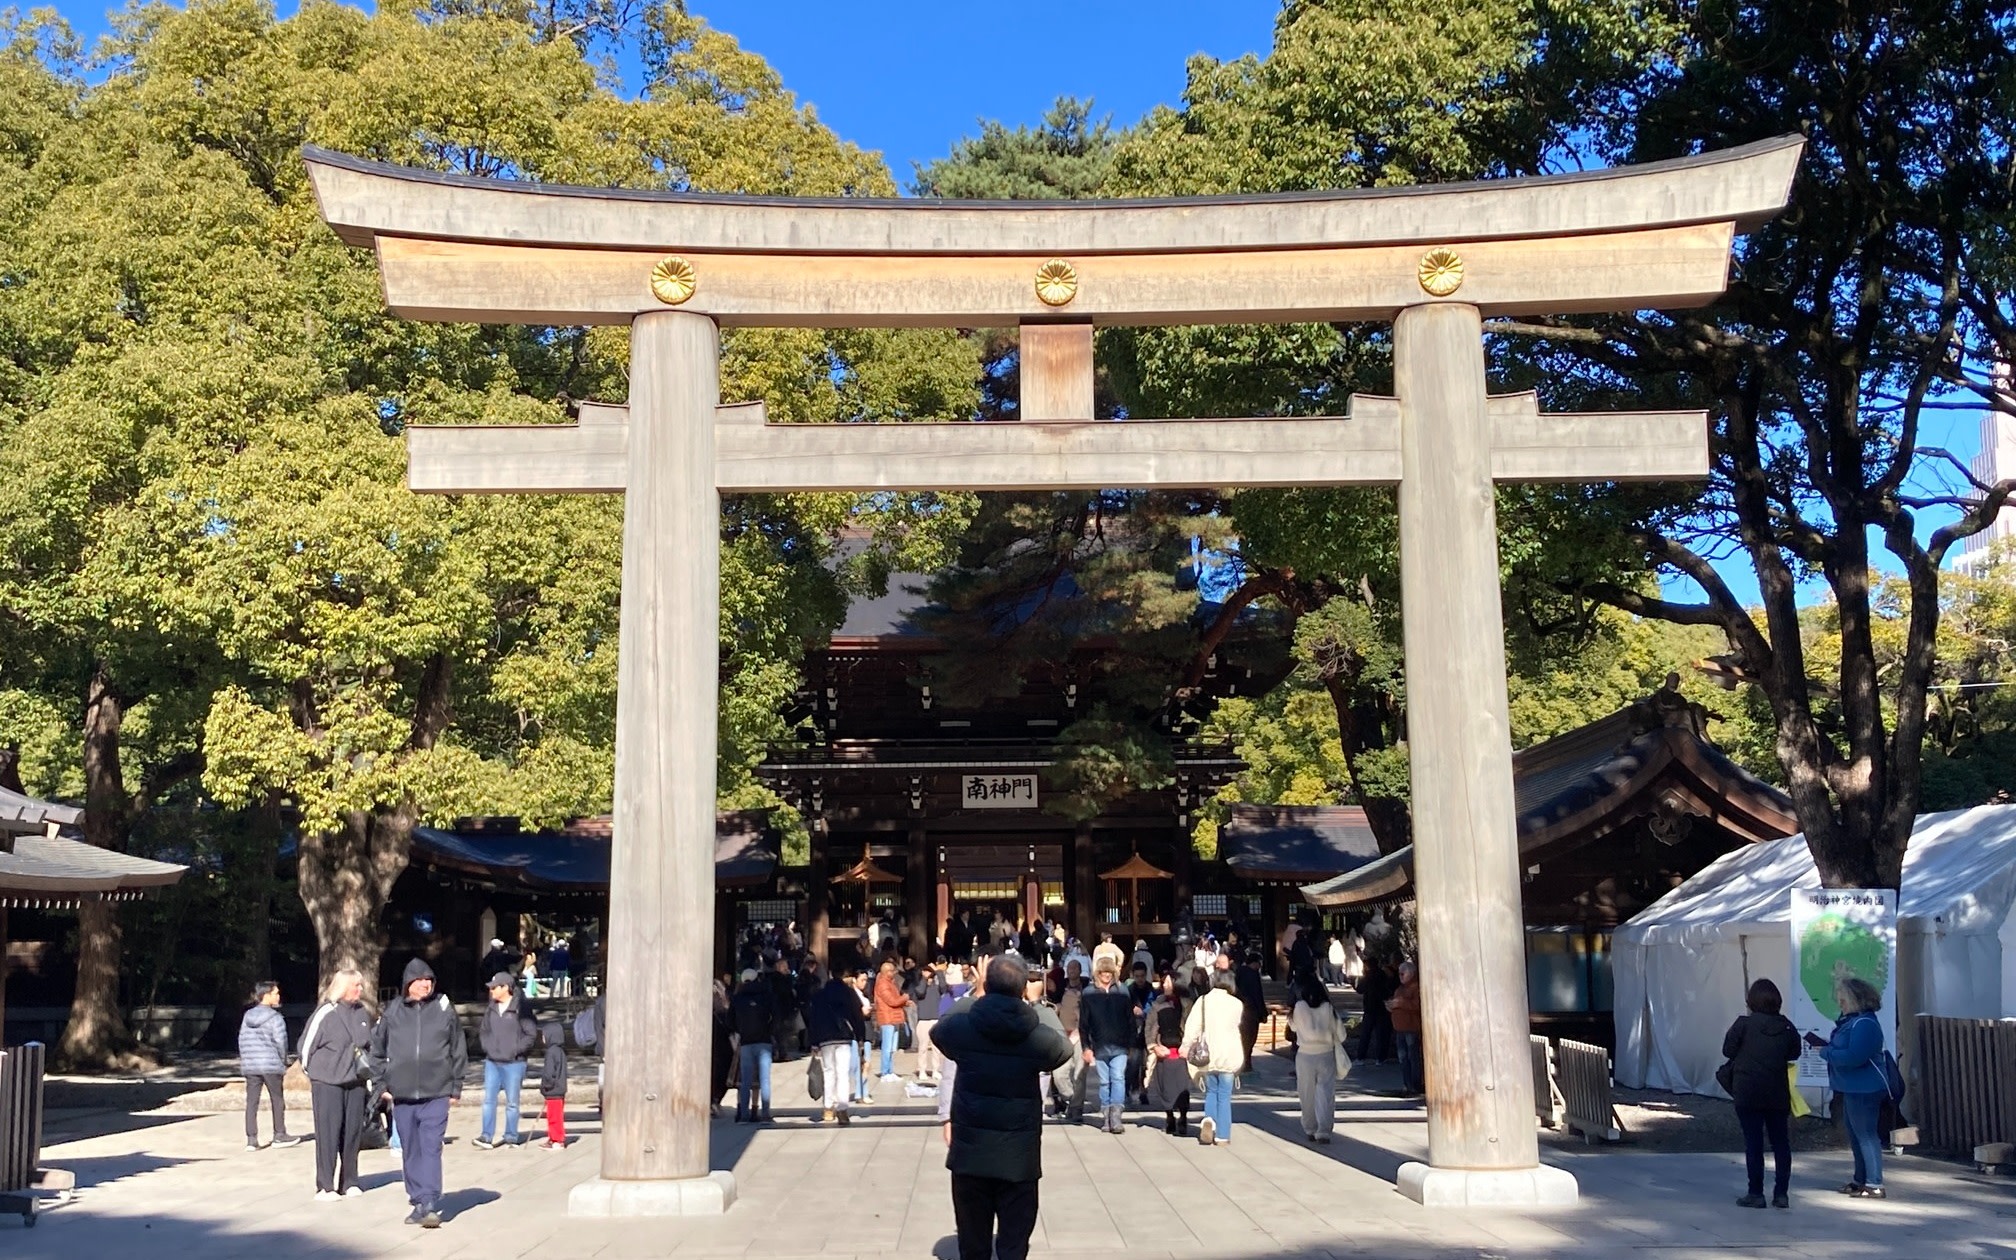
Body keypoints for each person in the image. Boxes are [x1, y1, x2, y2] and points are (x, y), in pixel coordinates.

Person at [930, 955, 1074, 1260]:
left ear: (986, 982)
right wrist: (1036, 1005)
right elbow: (1063, 1048)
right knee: (1013, 1247)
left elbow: (939, 1030)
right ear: (1023, 988)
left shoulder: (966, 1027)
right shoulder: (1033, 1033)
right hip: (1018, 1159)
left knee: (973, 1247)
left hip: (971, 1157)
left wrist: (978, 994)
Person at [368, 958, 467, 1229]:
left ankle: (431, 1200)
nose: (426, 984)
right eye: (420, 979)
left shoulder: (444, 1009)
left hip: (437, 1092)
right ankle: (418, 1200)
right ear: (407, 983)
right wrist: (381, 1085)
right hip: (402, 1095)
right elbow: (376, 1051)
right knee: (410, 1149)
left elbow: (458, 1048)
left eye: (429, 979)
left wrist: (456, 1085)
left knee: (431, 1147)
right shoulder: (393, 1012)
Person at [1721, 978, 1801, 1208]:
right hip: (1776, 1090)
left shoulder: (1743, 1025)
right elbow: (1794, 1052)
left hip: (1748, 1090)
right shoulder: (1786, 1026)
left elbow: (1727, 1050)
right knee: (1780, 1142)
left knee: (1753, 1142)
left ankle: (1755, 1192)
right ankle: (1781, 1193)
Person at [1816, 976, 1892, 1199]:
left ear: (1855, 1000)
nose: (1840, 1003)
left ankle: (1875, 1182)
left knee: (1866, 1134)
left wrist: (1826, 1052)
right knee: (1856, 1133)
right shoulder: (1854, 1022)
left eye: (1843, 999)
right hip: (1853, 1087)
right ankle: (1861, 1179)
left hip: (1865, 1088)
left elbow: (1854, 1056)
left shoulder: (1864, 1024)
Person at [299, 969, 372, 1199]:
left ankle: (349, 1180)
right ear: (343, 987)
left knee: (352, 1133)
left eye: (360, 986)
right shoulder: (326, 1012)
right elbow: (305, 1046)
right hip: (327, 1081)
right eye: (356, 986)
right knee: (328, 1134)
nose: (360, 990)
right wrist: (315, 1073)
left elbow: (369, 1046)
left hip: (356, 1081)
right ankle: (325, 1185)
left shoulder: (363, 1013)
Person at [1183, 970, 1247, 1146]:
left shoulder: (1203, 1001)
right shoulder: (1237, 1004)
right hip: (1230, 1053)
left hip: (1209, 1053)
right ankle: (1222, 1135)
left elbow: (1193, 1026)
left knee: (1211, 1091)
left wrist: (1186, 1045)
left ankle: (1209, 1119)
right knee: (1225, 1095)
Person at [474, 972, 537, 1149]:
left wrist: (515, 1051)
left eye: (495, 987)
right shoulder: (491, 1008)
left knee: (512, 1102)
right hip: (492, 1062)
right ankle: (486, 1136)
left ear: (505, 988)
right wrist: (488, 1047)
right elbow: (484, 1031)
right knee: (488, 1100)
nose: (491, 991)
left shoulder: (521, 1008)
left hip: (514, 1064)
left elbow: (530, 1034)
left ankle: (511, 1136)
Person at [238, 980, 300, 1151]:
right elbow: (281, 1042)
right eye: (275, 993)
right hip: (271, 1064)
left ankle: (251, 1139)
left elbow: (242, 1040)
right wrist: (283, 1060)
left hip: (251, 1065)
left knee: (252, 1102)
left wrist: (246, 1060)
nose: (278, 996)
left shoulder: (247, 1016)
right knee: (277, 1100)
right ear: (266, 995)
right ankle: (279, 1134)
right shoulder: (275, 1018)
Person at [1079, 960, 1135, 1134]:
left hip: (1120, 1043)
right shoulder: (1088, 993)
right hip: (1099, 1043)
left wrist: (1131, 1042)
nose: (1106, 976)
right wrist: (1086, 1047)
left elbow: (1130, 1019)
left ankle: (1116, 1115)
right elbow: (1083, 1023)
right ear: (1098, 974)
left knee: (1118, 1077)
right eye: (1103, 973)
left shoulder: (1122, 991)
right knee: (1104, 1081)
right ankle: (1106, 1114)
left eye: (1109, 973)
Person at [807, 965, 867, 1125]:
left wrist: (814, 1042)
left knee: (829, 1072)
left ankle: (828, 1108)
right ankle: (842, 1109)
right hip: (844, 1037)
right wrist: (861, 1037)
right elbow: (857, 1015)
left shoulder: (820, 995)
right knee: (843, 1073)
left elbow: (813, 1019)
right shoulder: (848, 993)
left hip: (825, 1038)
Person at [1289, 973, 1345, 1144]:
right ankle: (1324, 1130)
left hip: (1305, 1054)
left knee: (1306, 1093)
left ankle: (1310, 1126)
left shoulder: (1298, 1007)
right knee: (1326, 1092)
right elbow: (1341, 1035)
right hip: (1326, 1053)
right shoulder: (1328, 1008)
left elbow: (1292, 1027)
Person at [1144, 972, 1192, 1136]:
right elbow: (1150, 1027)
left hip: (1181, 1053)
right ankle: (1169, 1116)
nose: (1165, 985)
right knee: (1165, 1088)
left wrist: (1188, 1046)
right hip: (1163, 1051)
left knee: (1182, 1089)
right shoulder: (1158, 1004)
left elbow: (1192, 1027)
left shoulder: (1186, 1004)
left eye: (1169, 983)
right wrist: (1154, 1046)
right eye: (1164, 982)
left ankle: (1183, 1117)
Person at [731, 968, 776, 1123]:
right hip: (764, 1041)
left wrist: (740, 1030)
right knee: (764, 1080)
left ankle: (744, 1114)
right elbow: (775, 1016)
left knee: (746, 1081)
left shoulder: (737, 998)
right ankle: (765, 1113)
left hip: (746, 1042)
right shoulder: (766, 996)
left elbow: (731, 1021)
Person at [1387, 960, 1423, 1095]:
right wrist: (1391, 1006)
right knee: (1403, 1058)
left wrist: (1401, 1003)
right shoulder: (1399, 989)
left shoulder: (1416, 988)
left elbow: (1418, 1006)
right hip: (1399, 1028)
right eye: (1399, 973)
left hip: (1411, 1028)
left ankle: (1415, 1085)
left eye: (1404, 973)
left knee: (1413, 1057)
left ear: (1411, 973)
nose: (1401, 975)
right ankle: (1406, 1084)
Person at [1356, 961, 1396, 1064]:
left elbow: (1359, 989)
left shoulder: (1367, 977)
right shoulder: (1383, 975)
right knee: (1381, 1035)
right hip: (1381, 1008)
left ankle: (1361, 1057)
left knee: (1365, 1034)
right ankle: (1380, 1058)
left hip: (1369, 1008)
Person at [536, 1020, 568, 1149]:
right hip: (560, 1089)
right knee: (557, 1115)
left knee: (554, 1117)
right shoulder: (560, 1052)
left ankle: (556, 1139)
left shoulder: (551, 1052)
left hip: (553, 1090)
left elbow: (549, 1073)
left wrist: (545, 1087)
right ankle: (554, 1138)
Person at [874, 959, 908, 1080]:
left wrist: (904, 1002)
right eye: (893, 971)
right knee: (887, 1047)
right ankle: (885, 1072)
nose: (894, 973)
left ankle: (890, 1071)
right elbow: (891, 1001)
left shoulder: (890, 983)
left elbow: (895, 999)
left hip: (893, 1017)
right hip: (887, 1018)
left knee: (892, 1048)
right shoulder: (883, 984)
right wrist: (904, 998)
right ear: (887, 972)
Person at [915, 960, 949, 1082]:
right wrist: (924, 979)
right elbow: (920, 992)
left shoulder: (937, 988)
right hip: (923, 1020)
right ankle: (922, 1070)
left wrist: (938, 971)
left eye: (930, 973)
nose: (928, 975)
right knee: (923, 1047)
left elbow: (944, 987)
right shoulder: (919, 986)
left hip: (935, 1019)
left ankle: (935, 1070)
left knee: (936, 1048)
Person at [1235, 951, 1266, 1073]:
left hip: (1240, 1009)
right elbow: (1257, 994)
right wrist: (1262, 1012)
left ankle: (1243, 1061)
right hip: (1251, 1010)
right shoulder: (1252, 975)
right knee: (1250, 1037)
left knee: (1243, 1038)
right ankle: (1245, 1062)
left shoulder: (1239, 972)